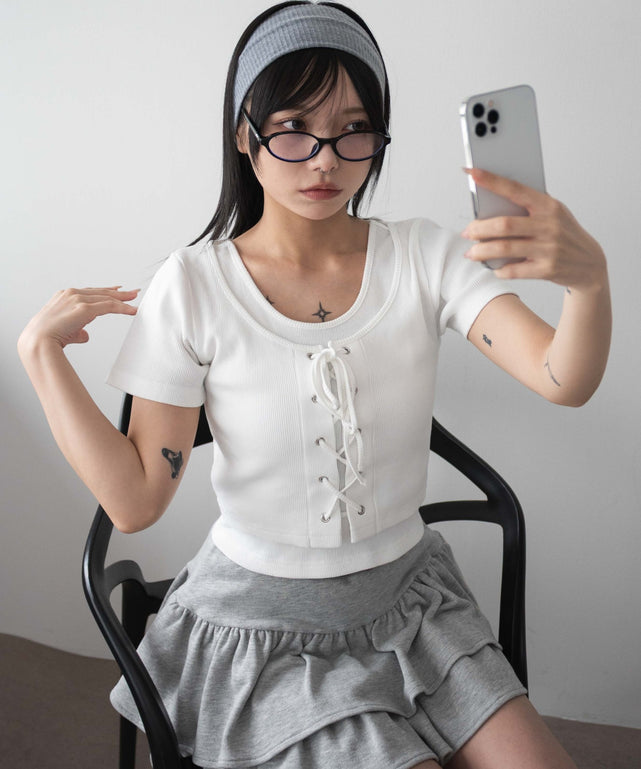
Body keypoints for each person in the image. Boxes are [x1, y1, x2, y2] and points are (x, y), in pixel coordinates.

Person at [18, 2, 611, 767]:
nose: (325, 160)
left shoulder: (421, 255)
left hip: (413, 609)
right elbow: (135, 502)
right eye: (293, 127)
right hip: (264, 633)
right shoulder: (192, 285)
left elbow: (562, 378)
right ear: (244, 133)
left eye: (353, 129)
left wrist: (587, 282)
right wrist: (42, 354)